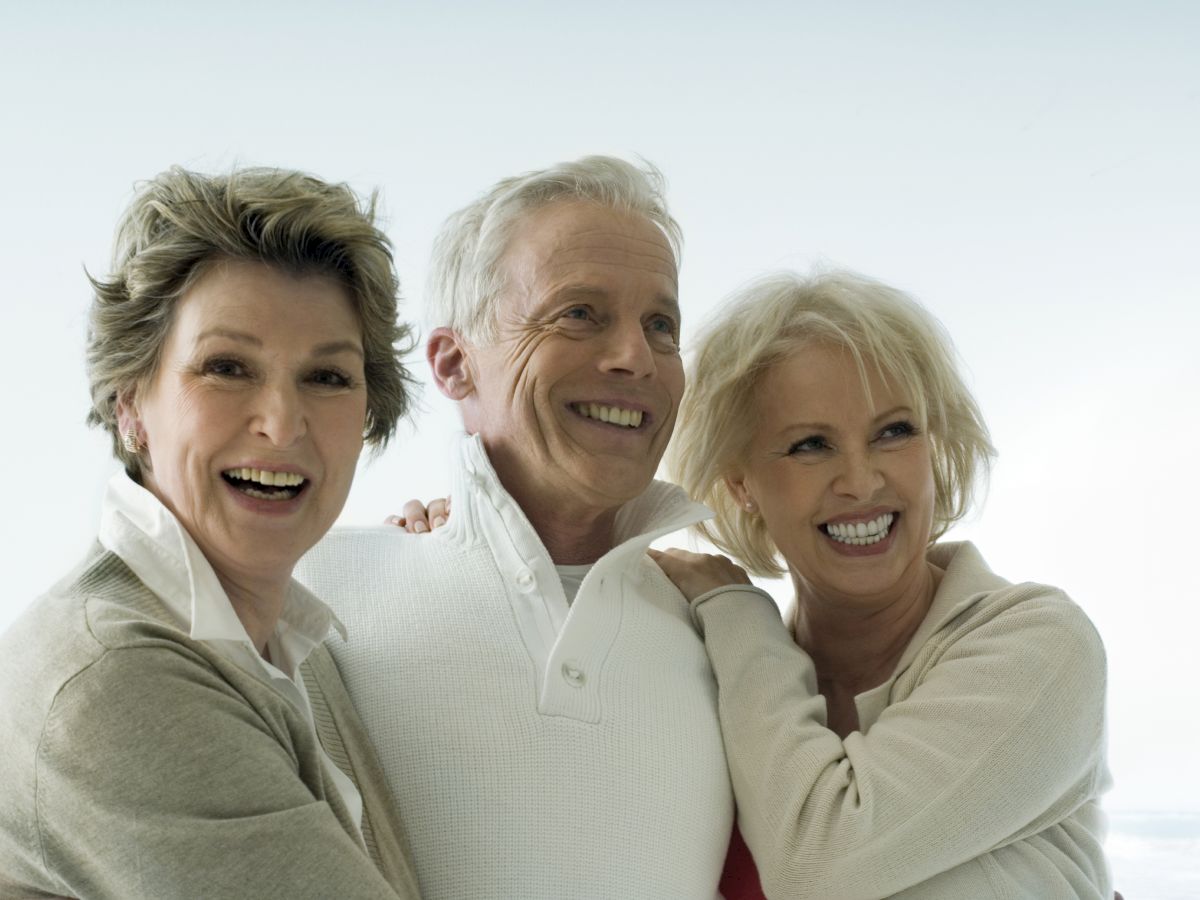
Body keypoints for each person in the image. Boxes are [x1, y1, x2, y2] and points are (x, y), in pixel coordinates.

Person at [298, 156, 734, 899]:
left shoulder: (730, 641)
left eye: (661, 325)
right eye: (579, 313)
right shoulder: (307, 596)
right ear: (454, 364)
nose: (636, 357)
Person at [0, 167, 422, 899]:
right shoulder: (115, 680)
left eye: (327, 378)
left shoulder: (288, 646)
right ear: (132, 402)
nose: (282, 423)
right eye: (226, 368)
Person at [651, 270, 1113, 899]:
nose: (862, 482)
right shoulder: (719, 680)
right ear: (741, 486)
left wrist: (735, 607)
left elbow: (818, 865)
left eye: (894, 432)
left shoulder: (1040, 645)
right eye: (810, 444)